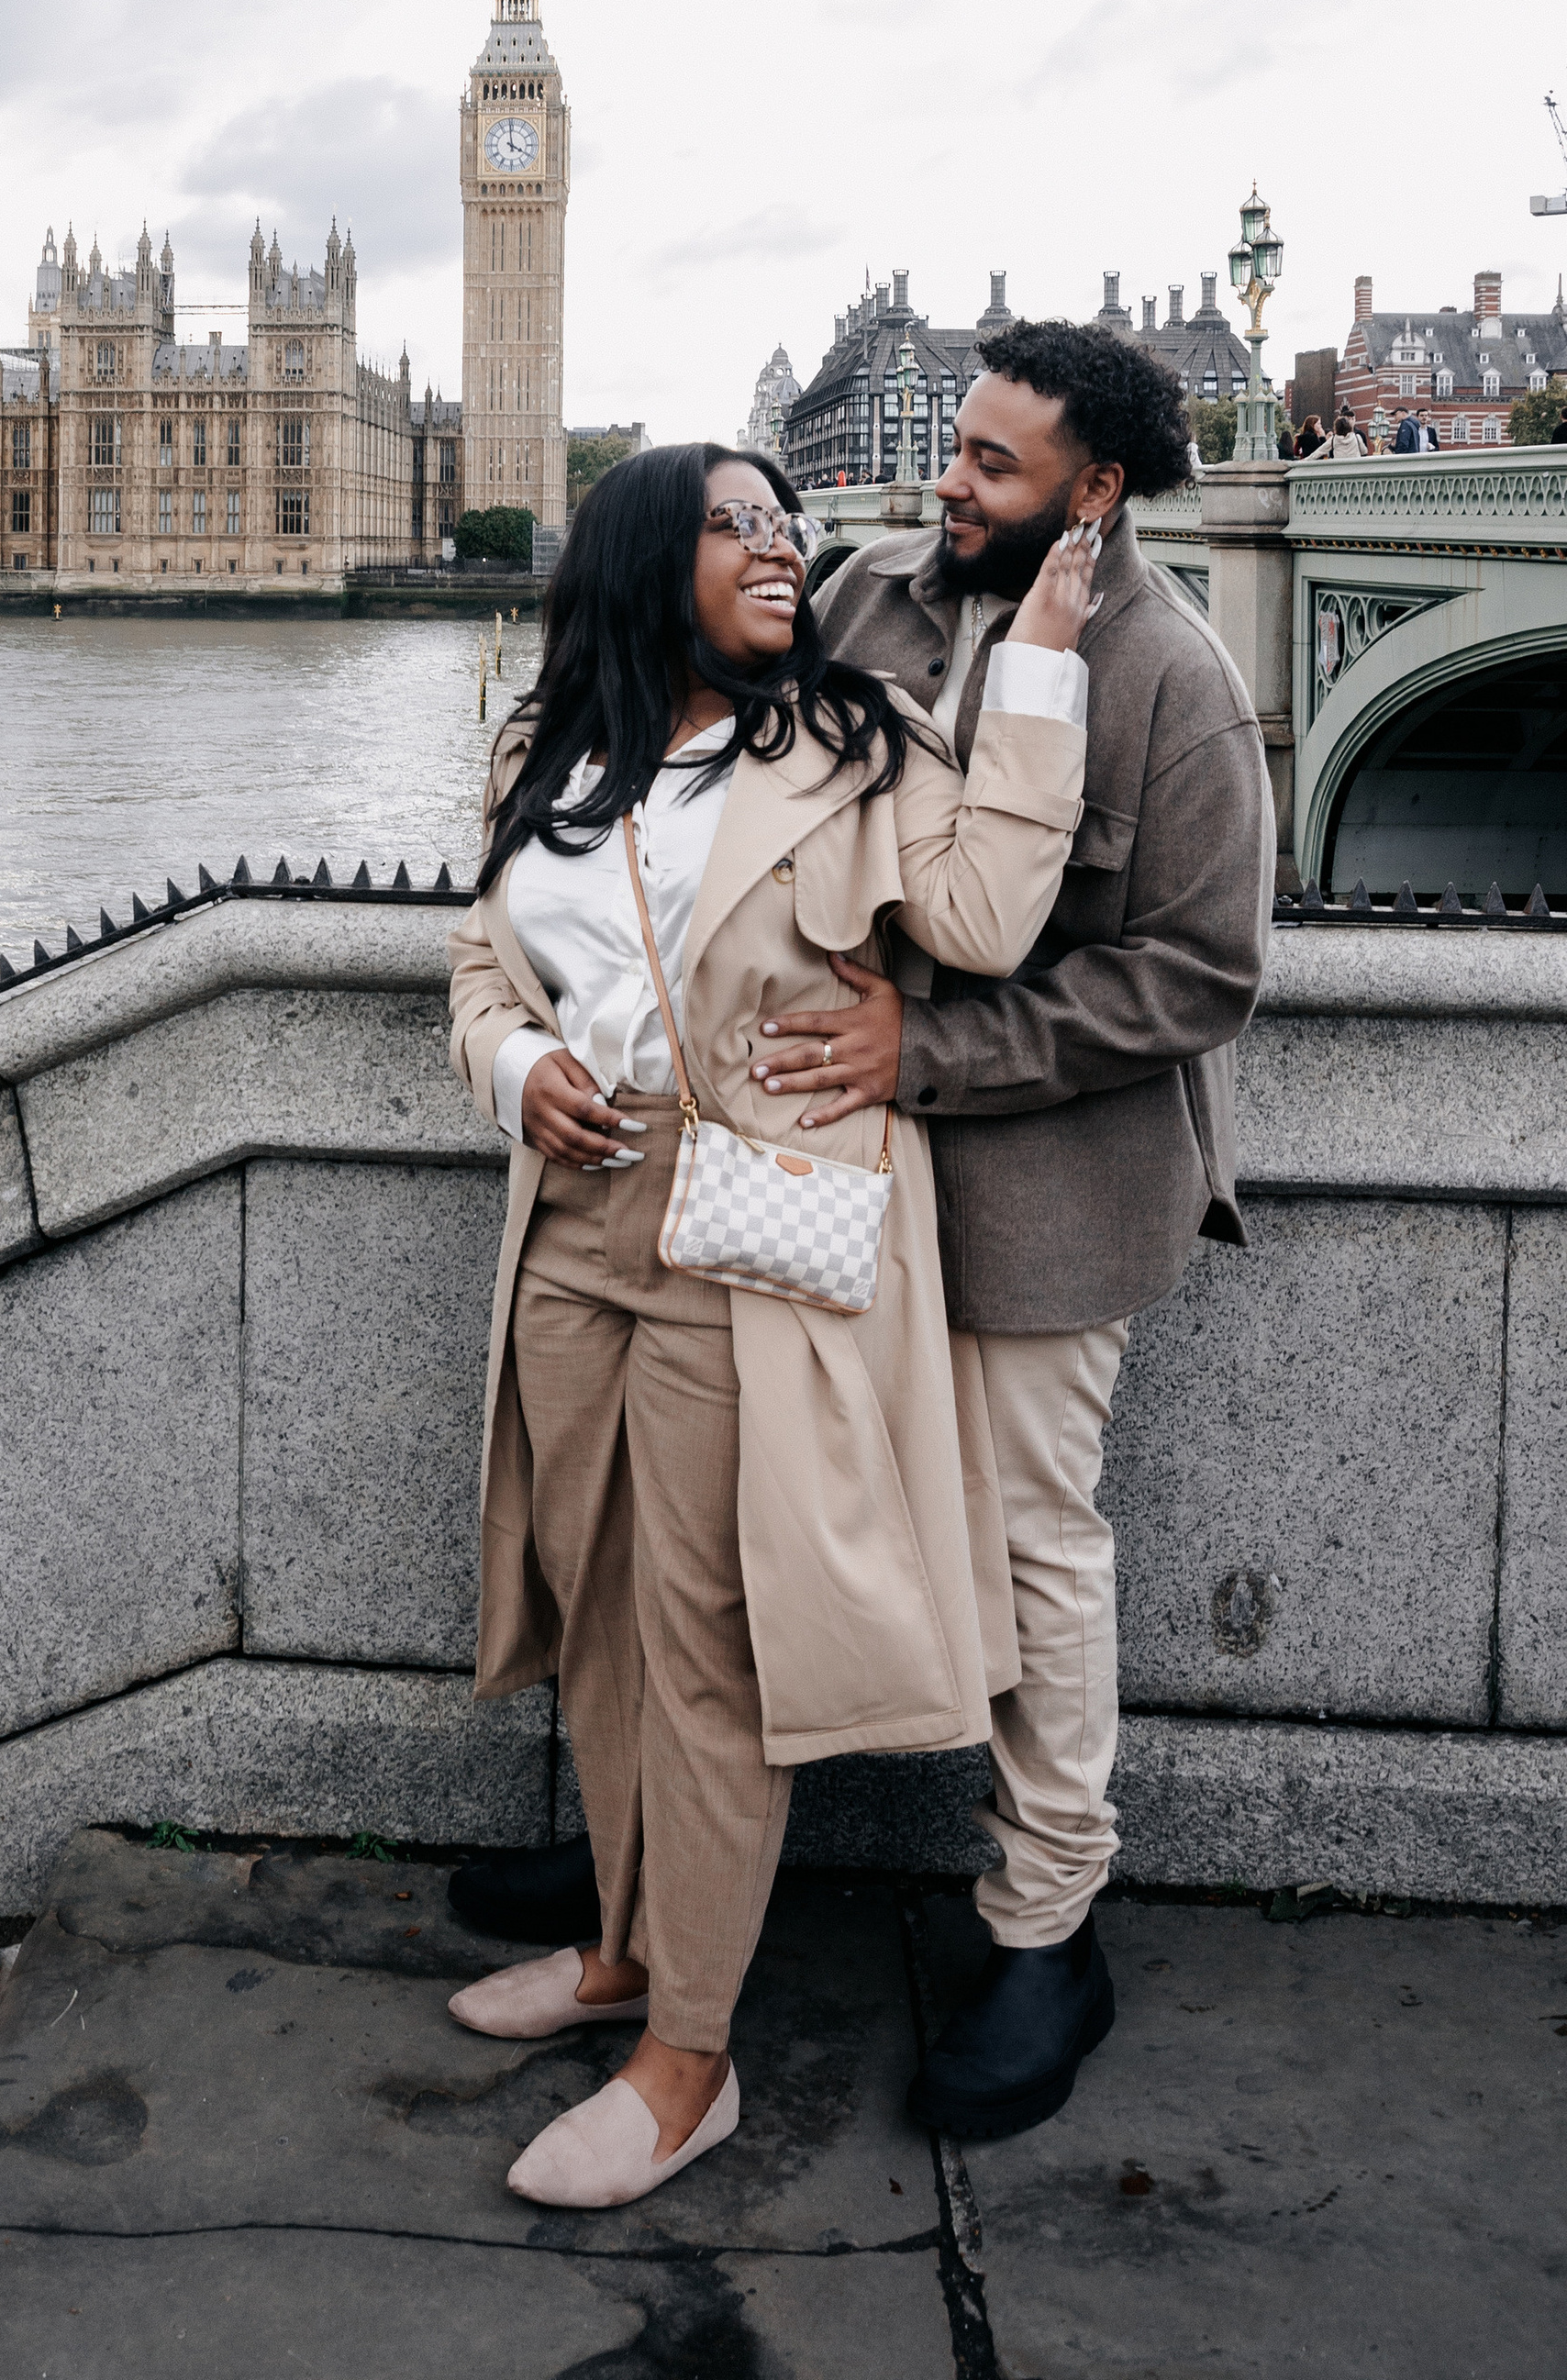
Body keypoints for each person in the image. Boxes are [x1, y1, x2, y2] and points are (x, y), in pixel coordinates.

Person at [444, 443, 1096, 2208]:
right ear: (645, 559)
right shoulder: (540, 752)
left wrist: (1041, 660)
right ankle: (622, 1949)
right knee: (595, 1609)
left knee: (709, 1643)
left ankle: (691, 2056)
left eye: (783, 524)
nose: (779, 547)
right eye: (734, 523)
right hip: (572, 1220)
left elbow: (987, 916)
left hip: (749, 1225)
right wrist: (515, 1065)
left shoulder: (850, 740)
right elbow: (483, 965)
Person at [758, 321, 1272, 2143]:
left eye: (990, 461)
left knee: (1034, 1550)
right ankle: (671, 1850)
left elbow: (1199, 974)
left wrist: (934, 1051)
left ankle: (1045, 1924)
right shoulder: (867, 592)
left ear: (1096, 489)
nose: (948, 481)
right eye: (956, 446)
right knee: (765, 1493)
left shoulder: (1173, 677)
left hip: (1045, 1185)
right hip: (830, 1153)